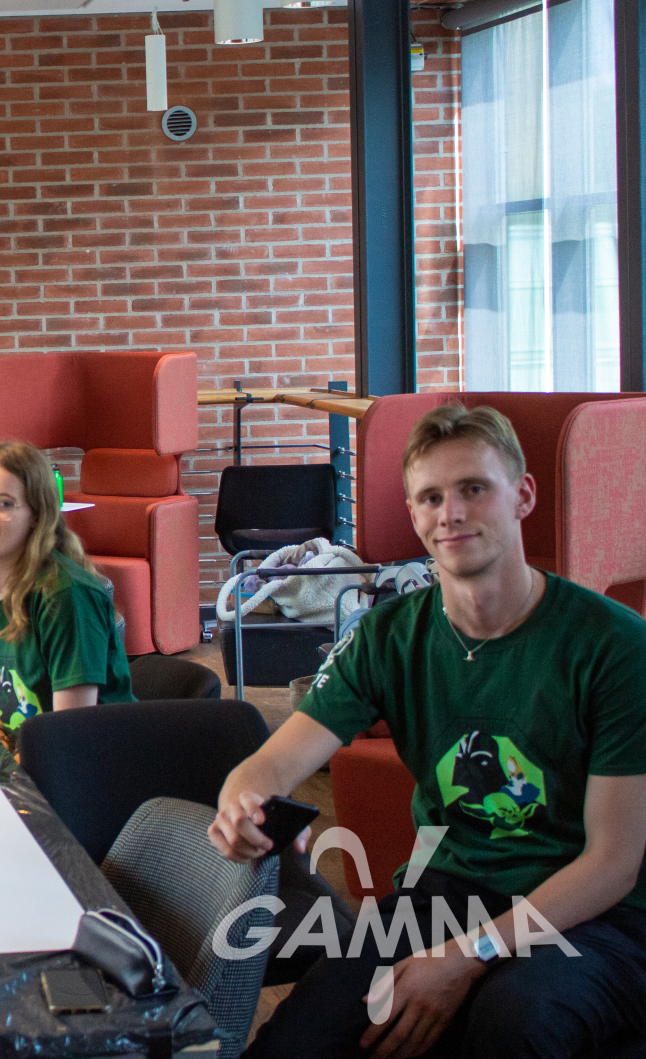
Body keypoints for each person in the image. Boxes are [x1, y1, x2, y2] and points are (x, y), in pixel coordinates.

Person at [210, 404, 646, 1059]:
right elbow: (272, 764)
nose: (451, 514)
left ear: (523, 496)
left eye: (474, 489)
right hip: (450, 892)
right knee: (299, 1039)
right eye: (432, 497)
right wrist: (242, 802)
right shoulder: (389, 636)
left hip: (596, 917)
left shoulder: (613, 646)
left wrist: (467, 956)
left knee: (514, 1021)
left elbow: (612, 865)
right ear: (414, 514)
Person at [0, 441, 133, 727]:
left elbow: (71, 731)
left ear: (36, 516)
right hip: (29, 749)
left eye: (3, 503)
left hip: (94, 750)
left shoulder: (66, 595)